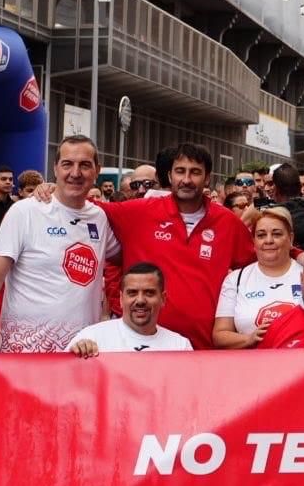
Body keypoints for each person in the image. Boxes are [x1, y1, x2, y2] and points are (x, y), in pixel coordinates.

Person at [0, 137, 120, 359]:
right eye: (67, 164)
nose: (75, 172)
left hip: (78, 355)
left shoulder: (99, 218)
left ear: (97, 170)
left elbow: (125, 258)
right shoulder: (25, 212)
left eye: (84, 165)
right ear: (55, 168)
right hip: (24, 353)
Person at [96, 143, 254, 350]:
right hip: (145, 348)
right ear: (170, 176)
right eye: (180, 171)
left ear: (207, 178)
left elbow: (260, 265)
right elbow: (82, 206)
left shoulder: (228, 223)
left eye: (195, 172)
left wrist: (298, 255)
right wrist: (49, 194)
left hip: (204, 350)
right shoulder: (137, 213)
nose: (186, 180)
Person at [214, 207, 304, 349]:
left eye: (277, 234)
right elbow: (220, 335)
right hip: (252, 367)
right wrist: (248, 339)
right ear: (253, 241)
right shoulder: (236, 279)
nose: (268, 240)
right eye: (261, 235)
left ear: (291, 238)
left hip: (303, 365)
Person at [67, 263, 192, 355]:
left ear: (163, 298)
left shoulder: (180, 346)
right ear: (121, 298)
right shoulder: (92, 338)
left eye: (149, 293)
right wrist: (75, 354)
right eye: (132, 293)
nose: (140, 300)